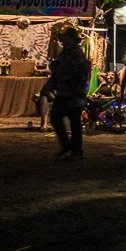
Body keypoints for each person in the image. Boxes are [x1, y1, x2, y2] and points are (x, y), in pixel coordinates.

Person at [49, 27, 90, 160]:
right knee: (59, 118)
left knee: (72, 121)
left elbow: (79, 73)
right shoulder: (66, 52)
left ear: (71, 39)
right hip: (65, 91)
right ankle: (70, 146)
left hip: (73, 92)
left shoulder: (76, 53)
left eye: (65, 37)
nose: (63, 40)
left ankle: (74, 149)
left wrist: (76, 89)